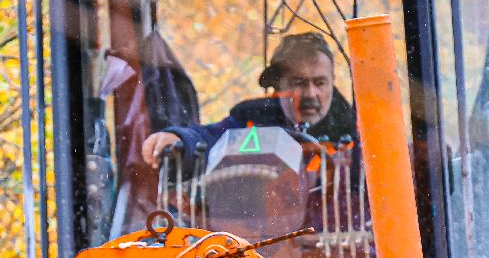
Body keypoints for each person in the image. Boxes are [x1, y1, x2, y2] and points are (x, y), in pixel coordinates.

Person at [141, 32, 356, 167]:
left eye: (320, 83)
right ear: (277, 85)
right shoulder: (250, 121)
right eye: (299, 82)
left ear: (333, 81)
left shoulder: (356, 134)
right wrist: (179, 139)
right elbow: (210, 139)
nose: (310, 94)